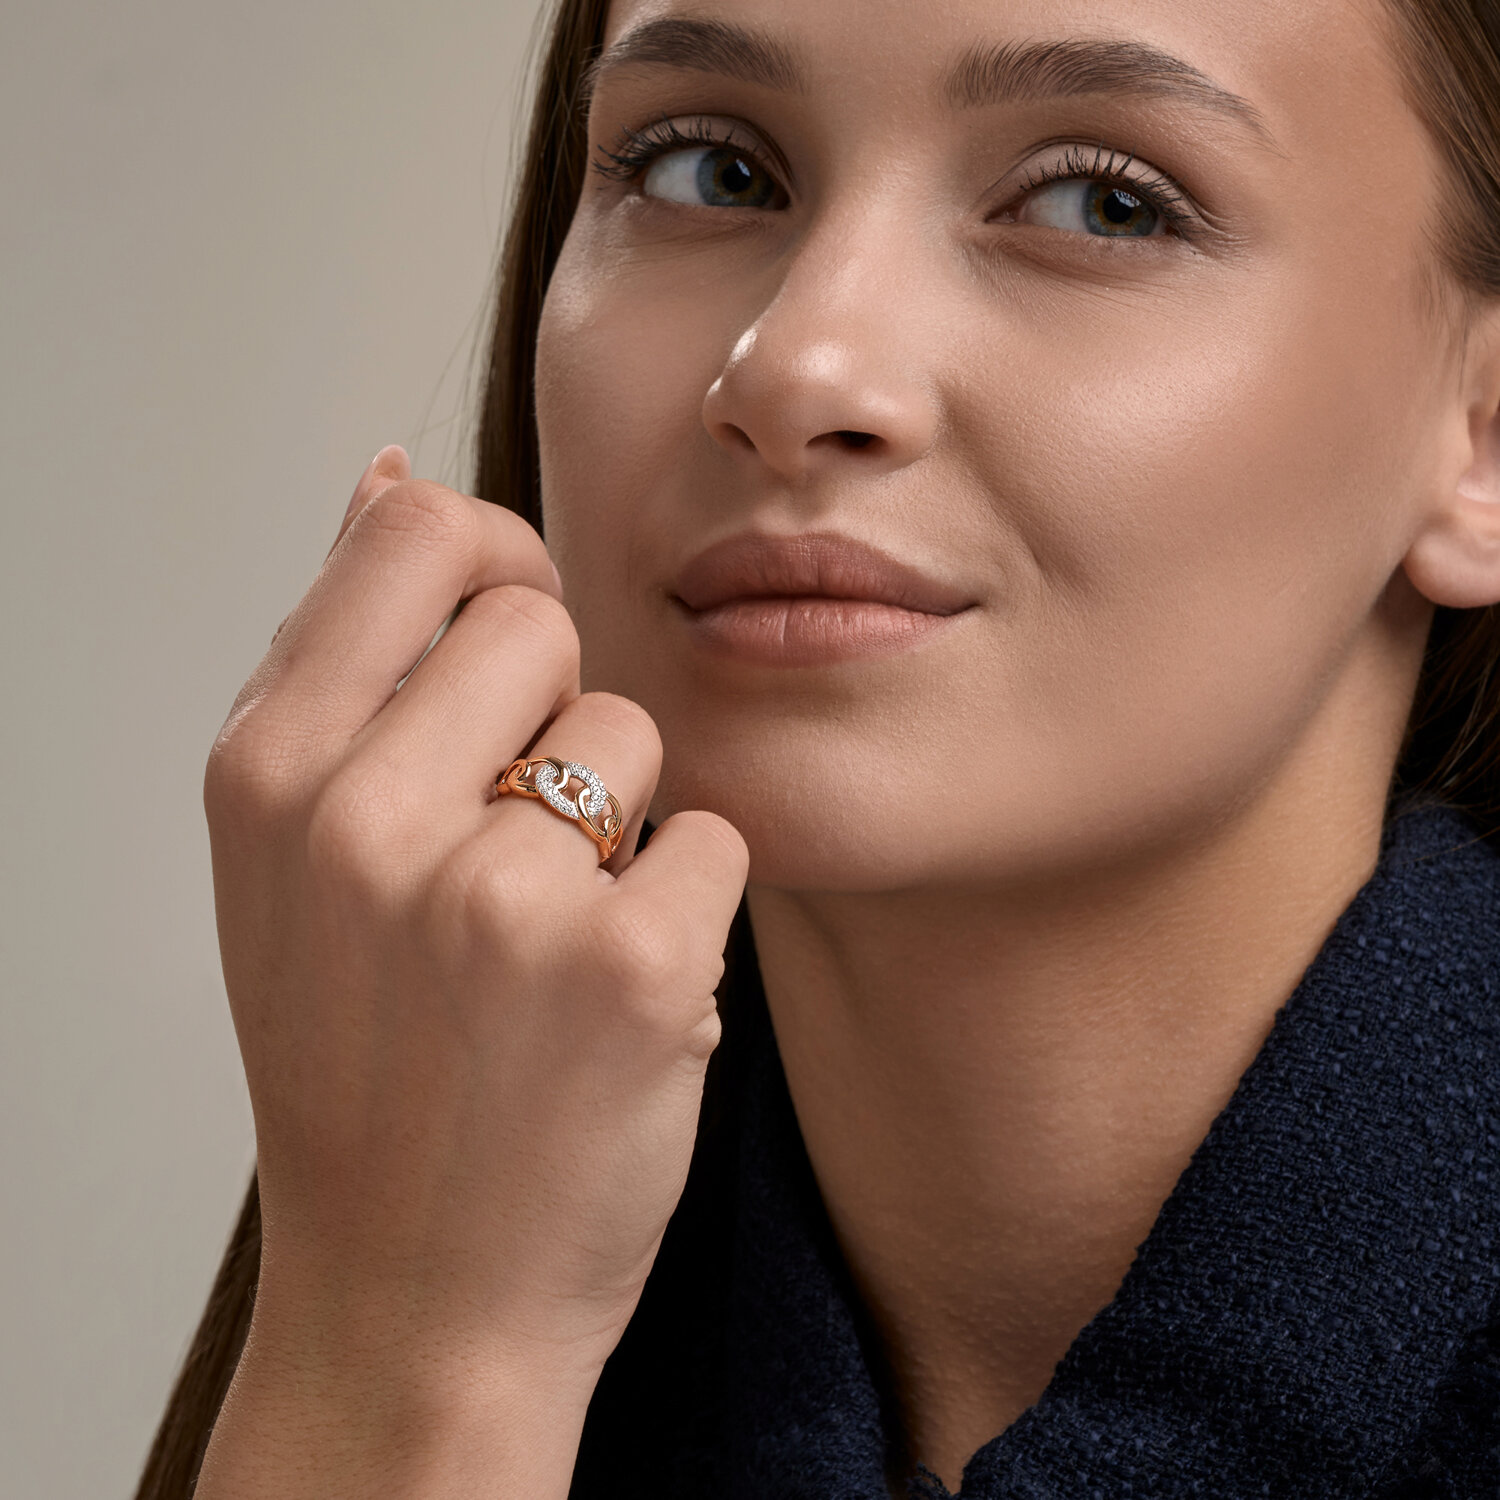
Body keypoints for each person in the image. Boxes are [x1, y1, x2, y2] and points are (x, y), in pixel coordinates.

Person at [136, 0, 1500, 1495]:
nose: (793, 367)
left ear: (1485, 430)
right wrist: (396, 1358)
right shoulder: (433, 1237)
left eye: (1102, 202)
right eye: (710, 169)